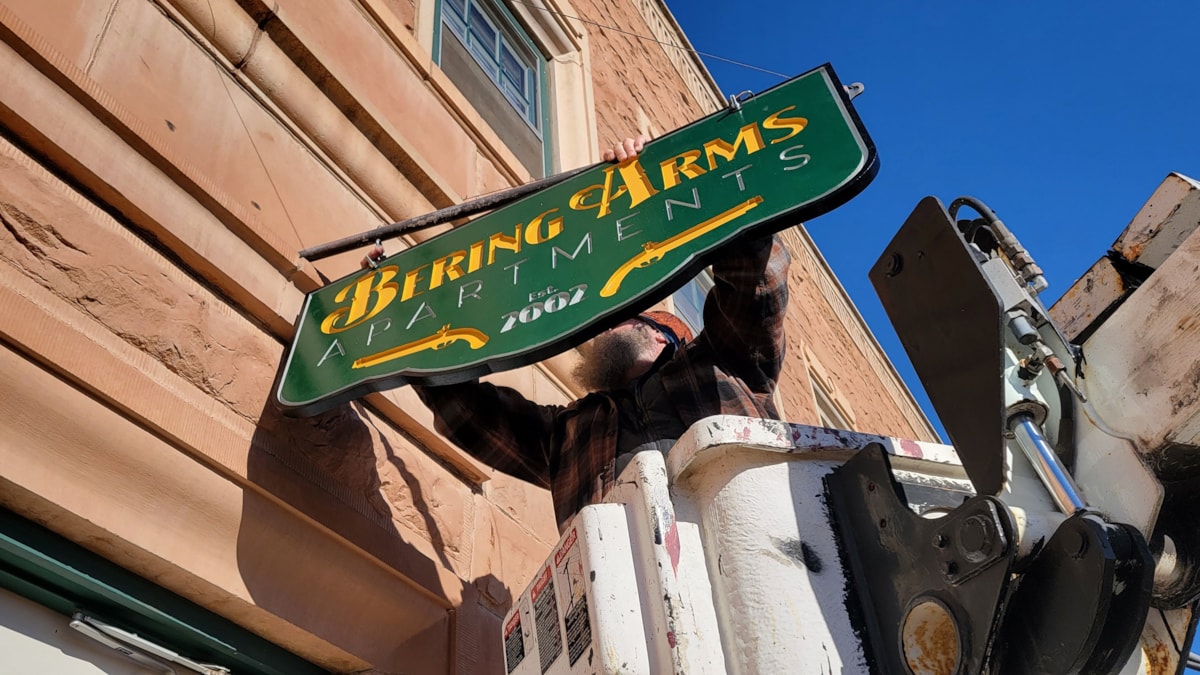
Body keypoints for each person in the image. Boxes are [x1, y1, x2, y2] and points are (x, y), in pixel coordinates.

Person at [414, 135, 791, 532]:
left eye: (621, 316)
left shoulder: (724, 364)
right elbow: (465, 414)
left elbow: (757, 279)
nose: (602, 325)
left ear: (662, 335)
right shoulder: (568, 433)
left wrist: (665, 175)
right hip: (633, 570)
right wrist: (412, 326)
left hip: (757, 548)